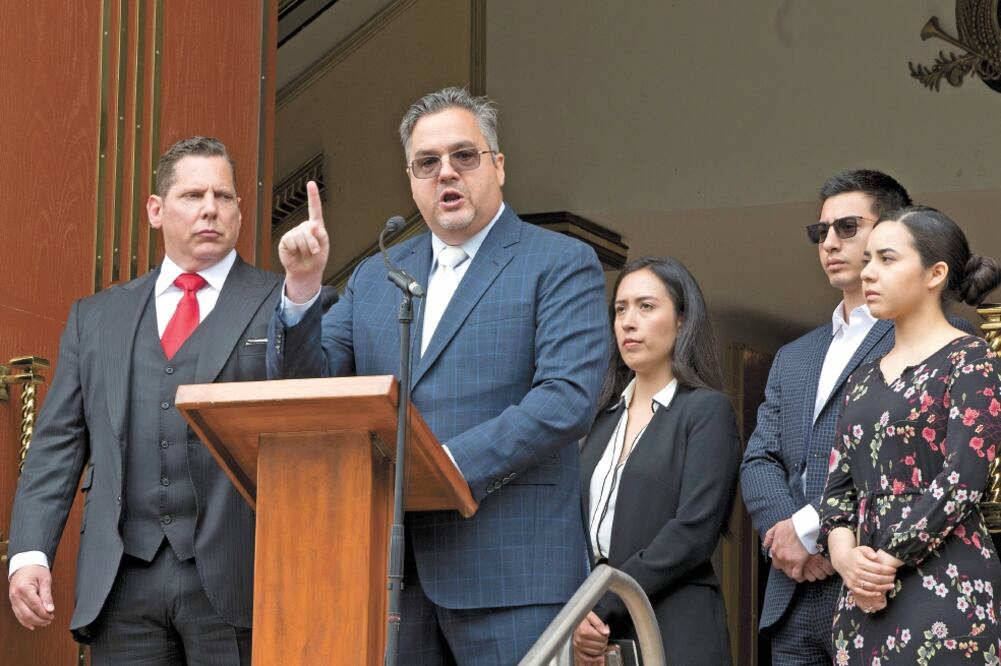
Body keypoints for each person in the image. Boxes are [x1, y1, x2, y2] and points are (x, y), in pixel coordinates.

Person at [268, 87, 609, 664]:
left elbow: (566, 398)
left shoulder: (558, 262)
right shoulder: (378, 277)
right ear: (411, 179)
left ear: (498, 166)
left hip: (512, 579)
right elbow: (312, 390)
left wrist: (446, 464)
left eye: (464, 156)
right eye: (427, 163)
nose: (445, 173)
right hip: (392, 580)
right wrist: (302, 289)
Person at [6, 137, 280, 665]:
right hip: (123, 583)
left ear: (241, 212)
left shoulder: (281, 303)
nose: (210, 209)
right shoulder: (96, 317)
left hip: (237, 580)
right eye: (193, 195)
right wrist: (30, 552)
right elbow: (57, 446)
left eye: (224, 197)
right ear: (156, 209)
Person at [740, 170, 966, 664]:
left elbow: (925, 466)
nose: (829, 242)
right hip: (793, 594)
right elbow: (759, 458)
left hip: (885, 583)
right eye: (820, 232)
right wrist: (786, 536)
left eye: (847, 227)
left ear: (893, 230)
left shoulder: (944, 341)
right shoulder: (794, 355)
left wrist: (814, 532)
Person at [818, 206, 1001, 663]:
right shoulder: (861, 378)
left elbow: (964, 478)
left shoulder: (971, 359)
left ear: (935, 273)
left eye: (886, 259)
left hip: (945, 582)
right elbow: (838, 491)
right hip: (861, 593)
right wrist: (845, 559)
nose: (868, 273)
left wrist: (885, 560)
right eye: (868, 261)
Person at [572, 257, 740, 665]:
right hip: (598, 634)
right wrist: (579, 613)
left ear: (682, 320)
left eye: (646, 307)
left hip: (676, 628)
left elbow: (693, 531)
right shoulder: (599, 420)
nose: (629, 321)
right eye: (621, 308)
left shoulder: (706, 411)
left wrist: (602, 602)